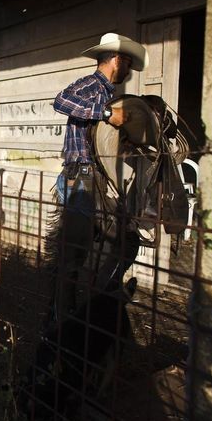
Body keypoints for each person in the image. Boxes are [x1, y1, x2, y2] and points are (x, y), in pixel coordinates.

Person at [49, 33, 148, 314]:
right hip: (80, 177)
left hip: (93, 177)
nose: (128, 72)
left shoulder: (106, 93)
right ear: (117, 60)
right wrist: (106, 115)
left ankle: (92, 302)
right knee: (75, 254)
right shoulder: (92, 84)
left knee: (121, 239)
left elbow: (96, 135)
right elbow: (61, 101)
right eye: (127, 64)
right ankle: (63, 321)